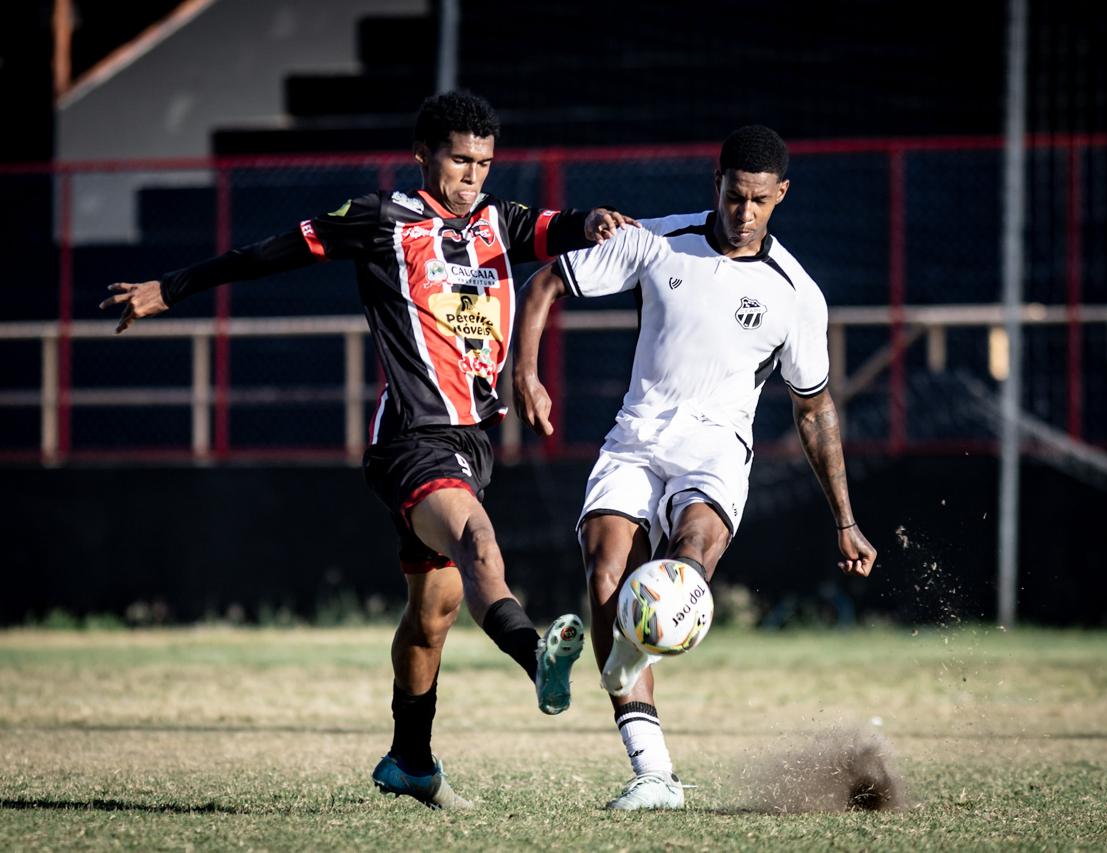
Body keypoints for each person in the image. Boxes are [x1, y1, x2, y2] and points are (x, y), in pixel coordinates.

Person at [100, 91, 638, 810]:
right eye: (458, 159)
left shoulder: (498, 222)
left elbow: (559, 227)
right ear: (423, 154)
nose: (472, 173)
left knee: (434, 614)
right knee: (480, 544)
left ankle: (410, 760)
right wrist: (172, 287)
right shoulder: (380, 219)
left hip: (472, 443)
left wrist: (593, 220)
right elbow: (268, 253)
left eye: (483, 161)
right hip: (412, 442)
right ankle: (535, 654)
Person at [511, 125, 877, 810]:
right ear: (716, 182)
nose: (744, 213)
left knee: (681, 574)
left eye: (760, 201)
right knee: (605, 573)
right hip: (636, 438)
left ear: (781, 196)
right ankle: (654, 772)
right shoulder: (654, 238)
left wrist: (846, 519)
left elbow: (814, 408)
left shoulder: (796, 292)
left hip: (715, 452)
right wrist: (524, 373)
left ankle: (611, 676)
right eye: (735, 196)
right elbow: (545, 283)